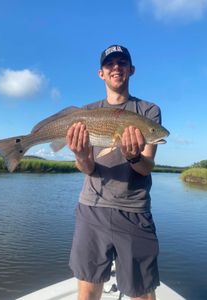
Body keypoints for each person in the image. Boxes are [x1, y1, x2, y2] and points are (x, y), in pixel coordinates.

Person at [66, 44, 161, 300]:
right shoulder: (85, 114)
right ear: (101, 73)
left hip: (134, 210)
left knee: (142, 292)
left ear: (131, 69)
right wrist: (80, 155)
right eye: (110, 64)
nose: (116, 67)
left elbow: (146, 166)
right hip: (91, 207)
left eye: (122, 62)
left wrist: (132, 156)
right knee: (87, 291)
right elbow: (88, 169)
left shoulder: (148, 112)